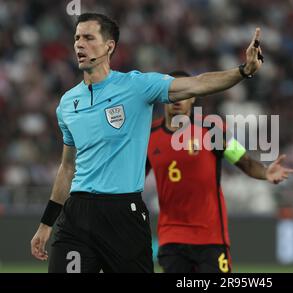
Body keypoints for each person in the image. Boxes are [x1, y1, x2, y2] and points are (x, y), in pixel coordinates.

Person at [30, 12, 263, 273]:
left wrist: (243, 71)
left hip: (123, 214)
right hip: (77, 214)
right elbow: (67, 168)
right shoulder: (67, 104)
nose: (79, 44)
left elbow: (196, 84)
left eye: (88, 37)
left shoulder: (136, 86)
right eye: (76, 38)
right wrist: (46, 223)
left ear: (109, 46)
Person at [145, 70, 293, 272]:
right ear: (163, 96)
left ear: (193, 98)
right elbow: (132, 179)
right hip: (172, 237)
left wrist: (265, 172)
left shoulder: (211, 130)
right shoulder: (148, 136)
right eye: (173, 93)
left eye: (184, 93)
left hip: (211, 237)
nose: (178, 99)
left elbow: (243, 161)